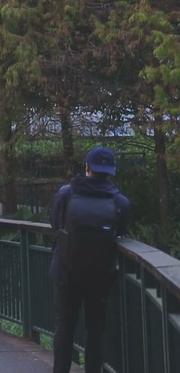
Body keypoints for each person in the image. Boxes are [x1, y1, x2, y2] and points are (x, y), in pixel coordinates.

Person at [49, 147, 130, 373]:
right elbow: (121, 231)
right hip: (101, 275)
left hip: (66, 271)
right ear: (111, 172)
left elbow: (55, 224)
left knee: (64, 325)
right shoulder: (120, 201)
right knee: (95, 329)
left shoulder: (66, 193)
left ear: (87, 167)